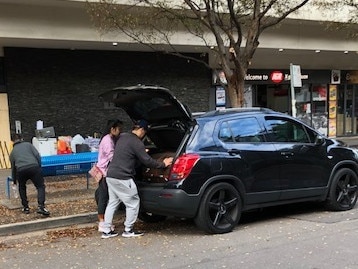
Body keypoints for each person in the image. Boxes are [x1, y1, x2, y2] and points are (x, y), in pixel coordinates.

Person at [101, 120, 173, 239]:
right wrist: (163, 164)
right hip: (123, 177)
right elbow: (147, 161)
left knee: (113, 202)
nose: (144, 135)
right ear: (142, 130)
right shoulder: (136, 142)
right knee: (133, 203)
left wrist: (140, 152)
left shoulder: (122, 137)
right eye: (144, 132)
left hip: (111, 175)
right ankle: (128, 230)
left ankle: (107, 230)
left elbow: (127, 153)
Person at [9, 133, 50, 215]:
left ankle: (26, 207)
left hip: (21, 170)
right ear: (22, 139)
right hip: (33, 167)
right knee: (40, 186)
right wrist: (39, 166)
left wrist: (14, 180)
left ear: (12, 141)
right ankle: (41, 206)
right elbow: (37, 155)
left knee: (22, 187)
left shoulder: (12, 153)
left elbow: (13, 168)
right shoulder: (28, 145)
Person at [95, 119, 123, 232]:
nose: (120, 132)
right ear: (113, 129)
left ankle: (104, 222)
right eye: (119, 129)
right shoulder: (108, 141)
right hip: (105, 172)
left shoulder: (107, 139)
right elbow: (111, 156)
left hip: (103, 171)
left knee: (105, 197)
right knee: (104, 197)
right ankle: (102, 223)